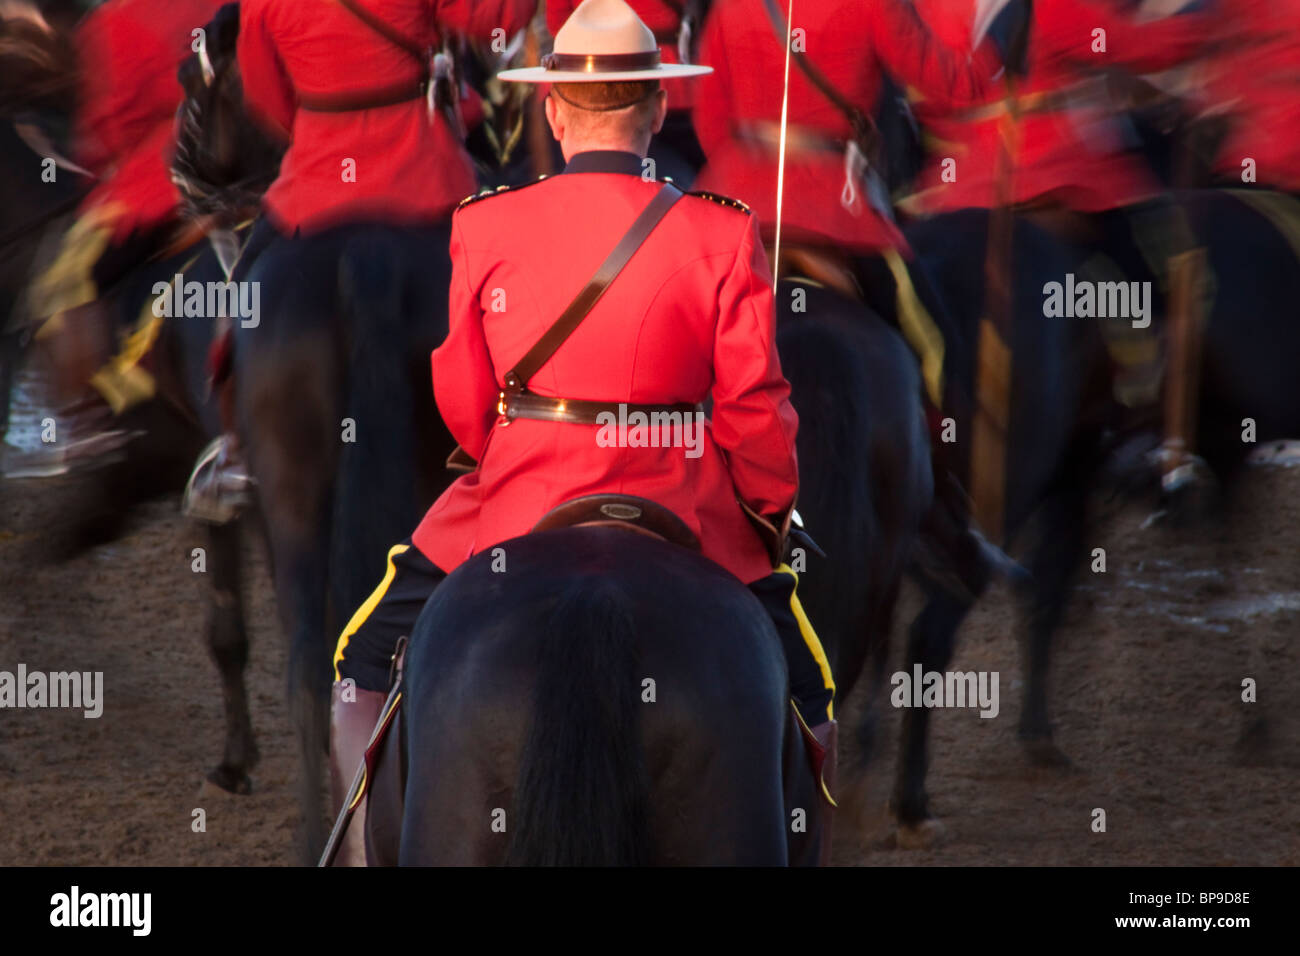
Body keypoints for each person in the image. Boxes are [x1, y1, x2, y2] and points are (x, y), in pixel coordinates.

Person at [329, 0, 837, 866]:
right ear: (659, 110)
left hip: (519, 499)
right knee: (812, 695)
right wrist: (767, 507)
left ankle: (362, 847)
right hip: (692, 506)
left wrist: (508, 455)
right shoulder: (723, 228)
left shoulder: (482, 223)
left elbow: (461, 394)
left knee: (359, 657)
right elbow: (757, 407)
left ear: (554, 111)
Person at [181, 0, 536, 521]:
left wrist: (318, 131)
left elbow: (267, 95)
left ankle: (237, 450)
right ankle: (529, 431)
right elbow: (495, 22)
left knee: (244, 293)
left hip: (315, 181)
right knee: (514, 279)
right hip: (426, 175)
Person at [13, 0, 226, 478]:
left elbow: (107, 127)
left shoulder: (117, 21)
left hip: (159, 179)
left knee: (61, 281)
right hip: (241, 164)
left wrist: (97, 179)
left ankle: (84, 422)